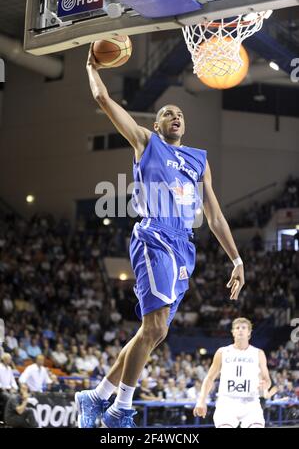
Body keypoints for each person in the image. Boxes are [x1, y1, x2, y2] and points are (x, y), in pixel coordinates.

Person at [75, 45, 245, 428]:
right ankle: (120, 410)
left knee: (157, 331)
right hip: (154, 237)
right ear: (156, 125)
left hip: (185, 245)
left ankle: (97, 396)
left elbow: (214, 214)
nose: (176, 116)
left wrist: (236, 259)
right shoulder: (145, 144)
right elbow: (102, 98)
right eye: (168, 113)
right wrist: (91, 66)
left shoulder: (199, 160)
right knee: (154, 326)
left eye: (180, 113)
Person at [193, 317, 271, 428]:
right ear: (233, 332)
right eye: (237, 328)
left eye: (244, 328)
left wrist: (265, 385)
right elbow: (209, 378)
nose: (240, 330)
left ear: (249, 332)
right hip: (227, 401)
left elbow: (267, 380)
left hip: (251, 402)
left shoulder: (258, 353)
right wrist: (201, 400)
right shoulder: (222, 352)